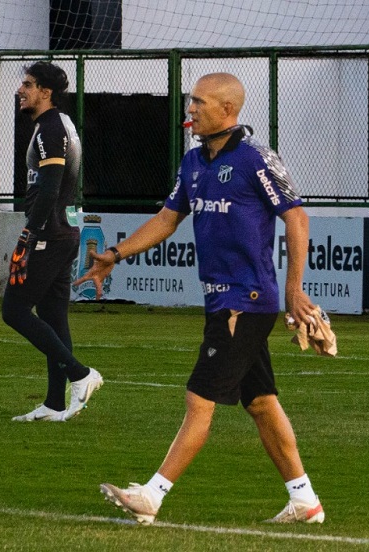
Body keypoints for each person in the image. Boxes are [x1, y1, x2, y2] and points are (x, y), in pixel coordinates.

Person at [74, 72, 324, 524]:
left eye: (199, 102)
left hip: (245, 301)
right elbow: (168, 219)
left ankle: (153, 494)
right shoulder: (192, 162)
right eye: (191, 101)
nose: (190, 109)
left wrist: (294, 290)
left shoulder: (256, 159)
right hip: (221, 300)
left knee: (198, 400)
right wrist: (115, 252)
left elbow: (298, 218)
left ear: (227, 110)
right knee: (262, 403)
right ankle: (305, 501)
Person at [3, 61, 102, 422]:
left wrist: (30, 233)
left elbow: (50, 186)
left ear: (46, 92)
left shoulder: (49, 129)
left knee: (13, 311)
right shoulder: (59, 125)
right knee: (52, 315)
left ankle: (81, 374)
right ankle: (54, 404)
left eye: (28, 85)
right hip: (64, 230)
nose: (20, 90)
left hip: (50, 232)